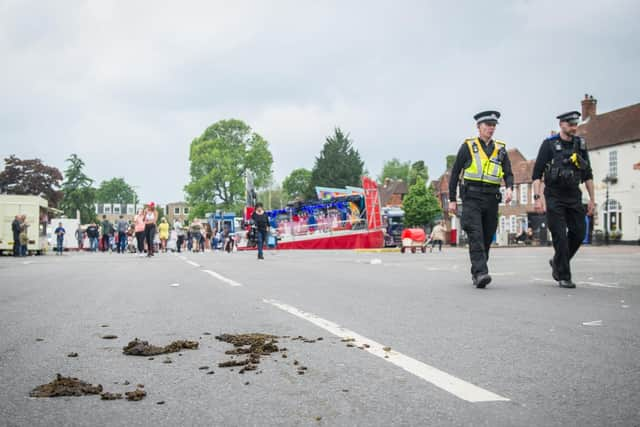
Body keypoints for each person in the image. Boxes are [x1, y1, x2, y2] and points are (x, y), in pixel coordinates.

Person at [448, 110, 514, 288]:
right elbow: (455, 173)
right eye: (487, 125)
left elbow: (508, 173)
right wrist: (452, 199)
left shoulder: (500, 149)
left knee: (486, 237)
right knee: (475, 235)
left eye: (493, 126)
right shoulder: (468, 146)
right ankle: (481, 273)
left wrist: (509, 188)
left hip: (492, 198)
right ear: (479, 127)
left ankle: (477, 270)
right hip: (472, 198)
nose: (491, 129)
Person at [532, 111, 595, 288]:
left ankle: (557, 262)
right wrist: (537, 198)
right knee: (559, 235)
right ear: (561, 124)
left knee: (579, 232)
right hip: (554, 196)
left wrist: (592, 199)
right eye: (570, 124)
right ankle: (564, 275)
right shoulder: (549, 145)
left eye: (576, 124)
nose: (574, 127)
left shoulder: (580, 145)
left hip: (574, 195)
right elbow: (537, 174)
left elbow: (588, 174)